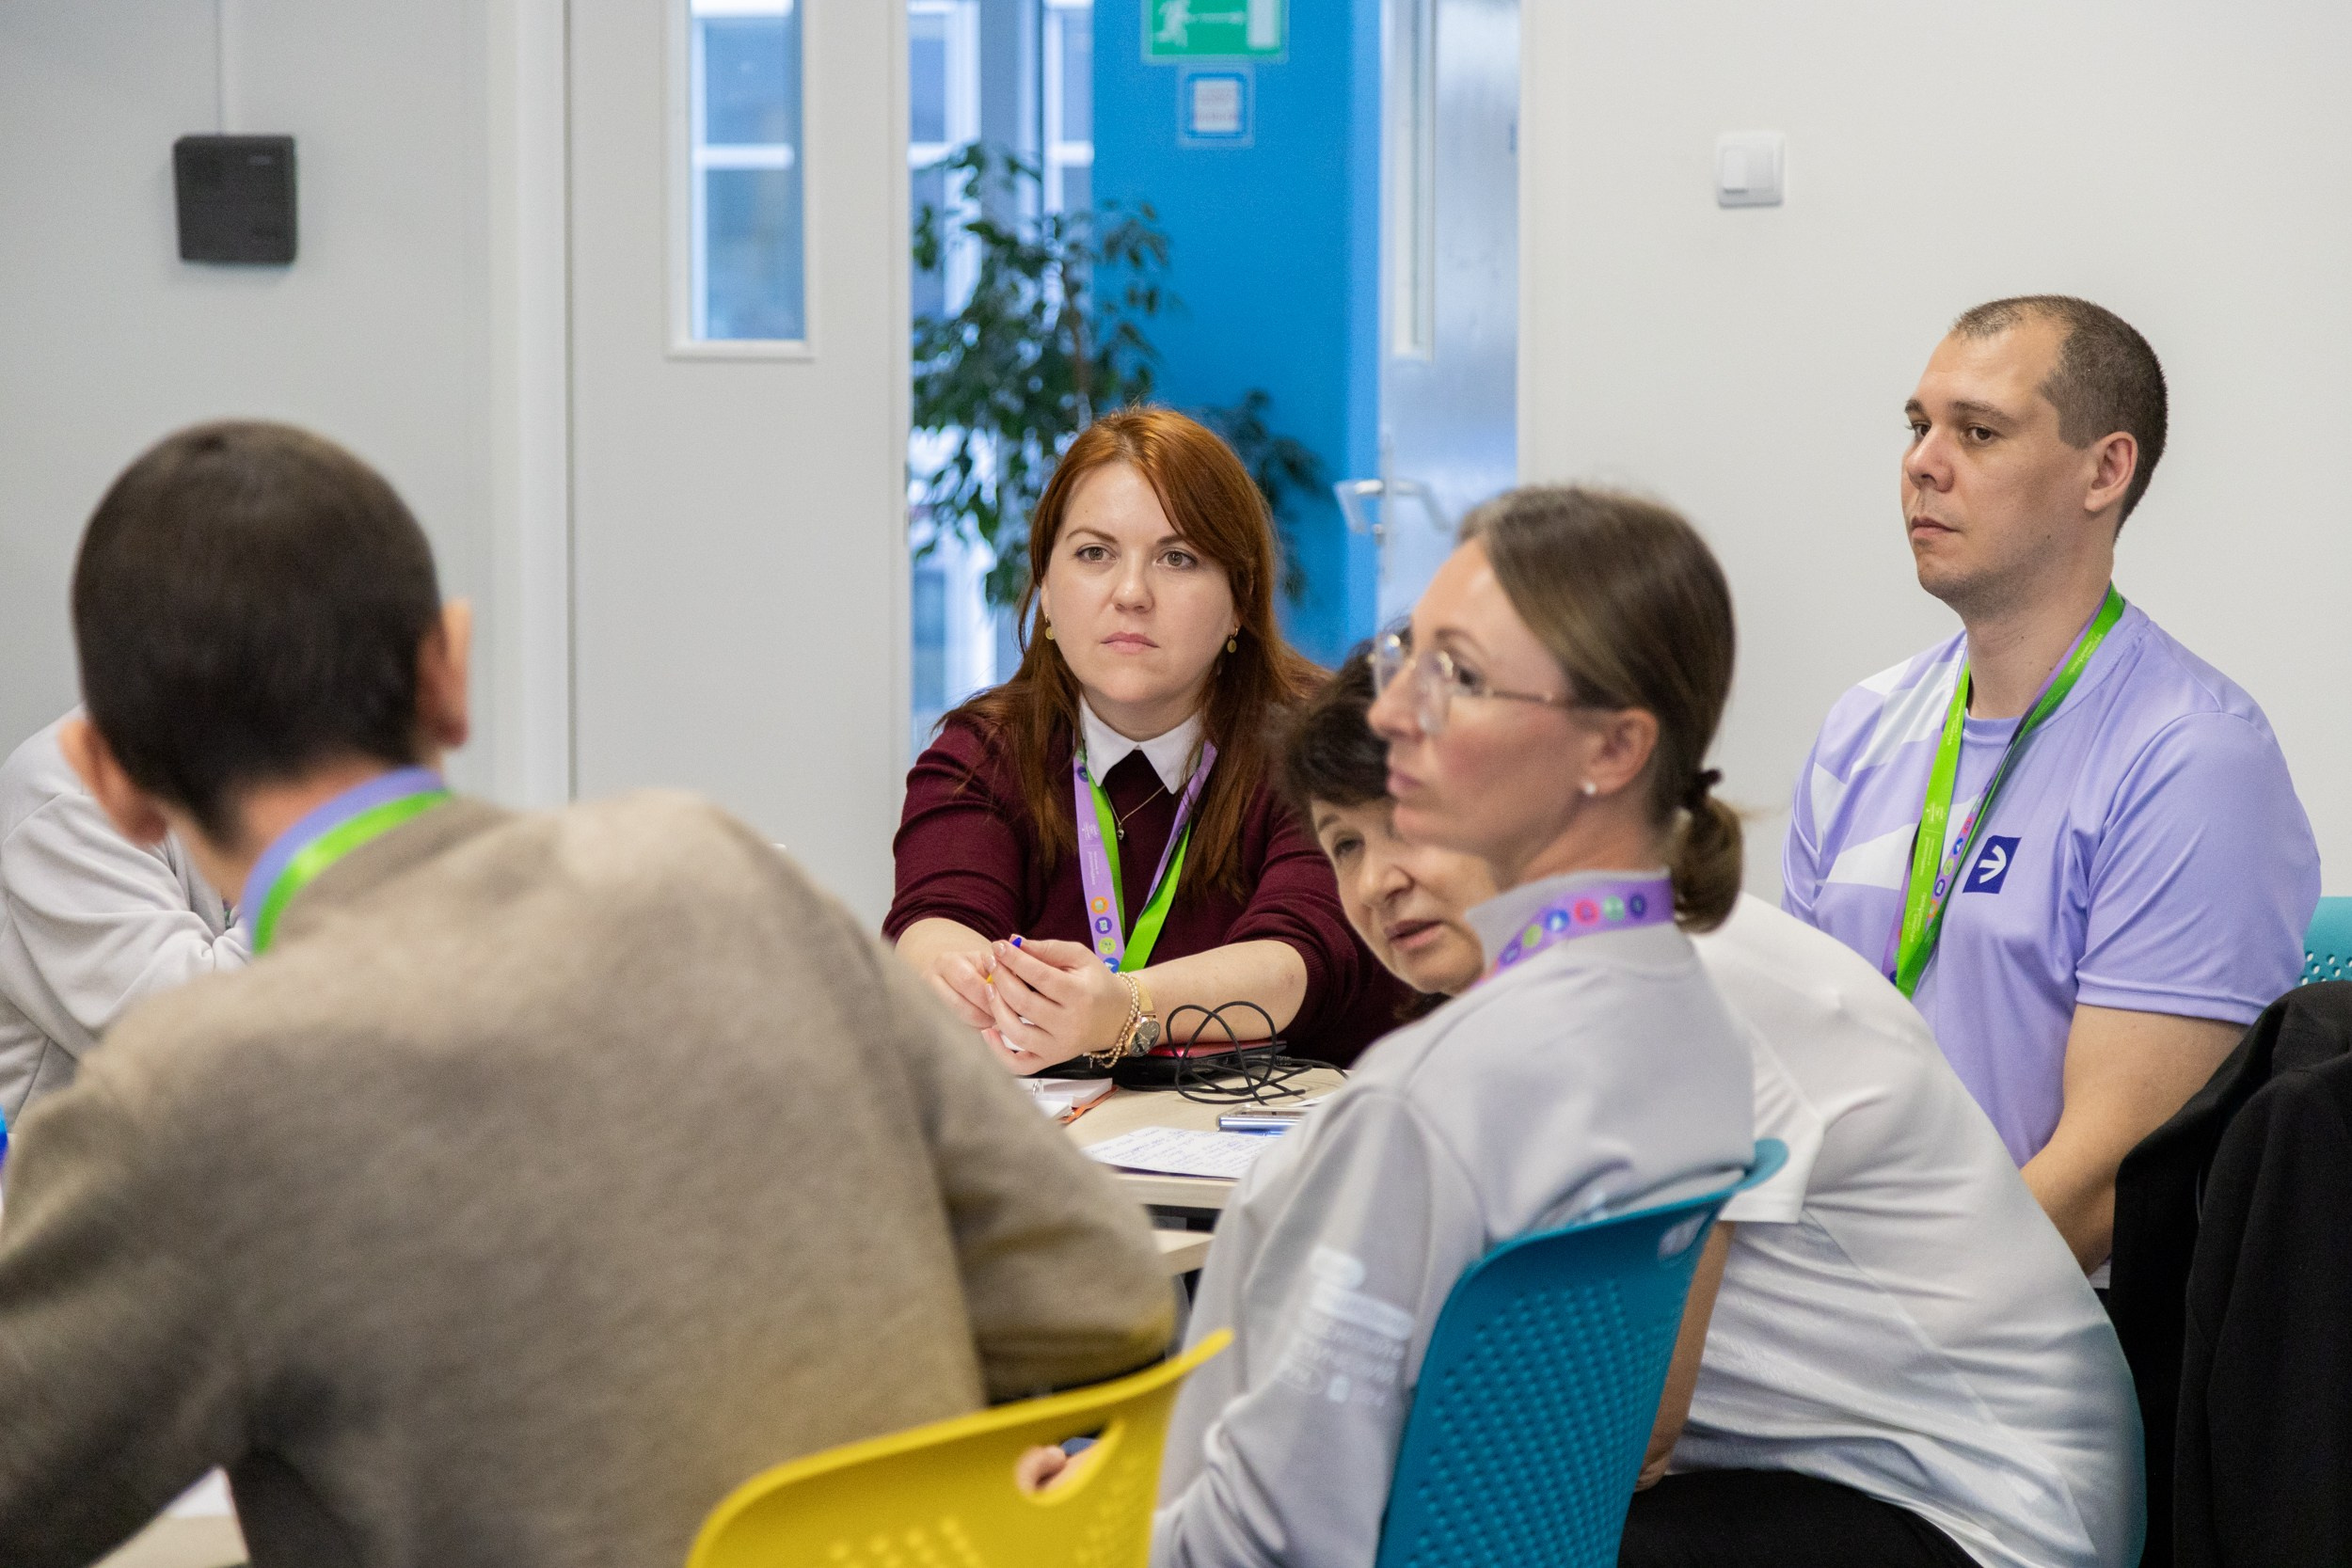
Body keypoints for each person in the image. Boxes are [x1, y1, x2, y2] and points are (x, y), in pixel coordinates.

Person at [0, 421, 1175, 1568]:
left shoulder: (184, 1099)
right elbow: (1101, 1286)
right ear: (448, 672)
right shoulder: (715, 865)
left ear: (113, 777)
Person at [1280, 655, 2144, 1568]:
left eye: (1408, 821)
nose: (1376, 880)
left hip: (1984, 1511)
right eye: (1345, 844)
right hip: (1807, 1476)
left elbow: (1622, 1428)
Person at [1148, 485, 1756, 1568]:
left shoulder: (1426, 1103)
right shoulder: (1691, 1019)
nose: (1391, 713)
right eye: (1409, 660)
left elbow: (1270, 1539)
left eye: (1459, 677)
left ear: (1612, 747)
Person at [1784, 295, 2319, 1278]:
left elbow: (2106, 1180)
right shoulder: (1861, 728)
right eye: (1917, 425)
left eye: (1978, 432)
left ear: (2104, 471)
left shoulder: (2193, 759)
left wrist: (1867, 1324)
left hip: (2039, 1327)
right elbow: (1788, 1068)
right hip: (1837, 1294)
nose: (1922, 463)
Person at [886, 406, 1405, 1073]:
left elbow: (1300, 959)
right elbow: (933, 921)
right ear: (1046, 588)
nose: (1131, 593)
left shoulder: (1320, 742)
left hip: (1291, 1128)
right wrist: (963, 981)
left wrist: (1123, 1007)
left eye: (1177, 557)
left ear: (1240, 599)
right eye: (1094, 554)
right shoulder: (983, 752)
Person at [0, 711, 249, 1125]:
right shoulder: (68, 790)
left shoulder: (282, 757)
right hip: (84, 1158)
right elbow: (190, 1041)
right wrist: (331, 857)